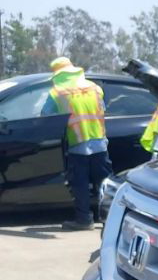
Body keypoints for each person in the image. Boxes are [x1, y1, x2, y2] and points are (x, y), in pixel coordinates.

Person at [41, 57, 110, 230]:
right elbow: (103, 109)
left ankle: (84, 220)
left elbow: (45, 117)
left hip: (77, 144)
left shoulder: (57, 92)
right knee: (104, 182)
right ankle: (109, 218)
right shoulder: (95, 88)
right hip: (100, 142)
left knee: (79, 184)